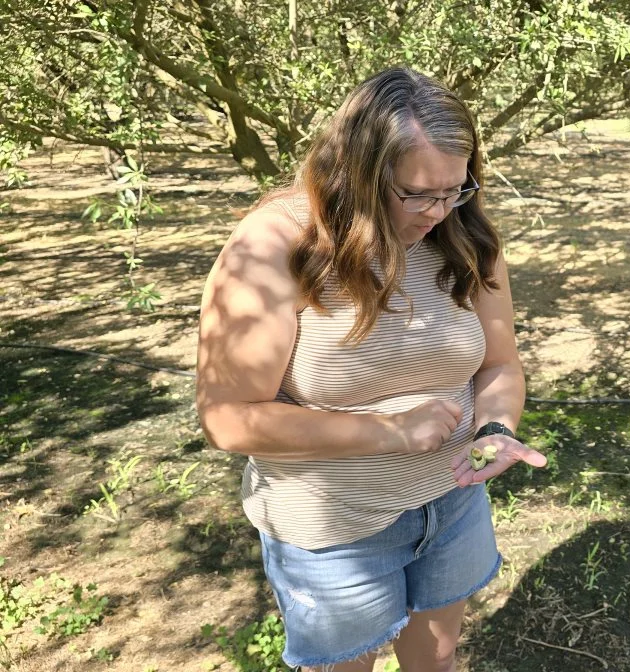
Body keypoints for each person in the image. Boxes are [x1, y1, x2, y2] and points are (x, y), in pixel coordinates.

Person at [195, 67, 546, 672]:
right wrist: (389, 433)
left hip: (451, 504)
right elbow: (229, 420)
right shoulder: (276, 245)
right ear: (359, 173)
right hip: (333, 528)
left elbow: (499, 364)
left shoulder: (465, 236)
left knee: (435, 661)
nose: (439, 210)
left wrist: (494, 428)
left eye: (455, 189)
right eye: (417, 193)